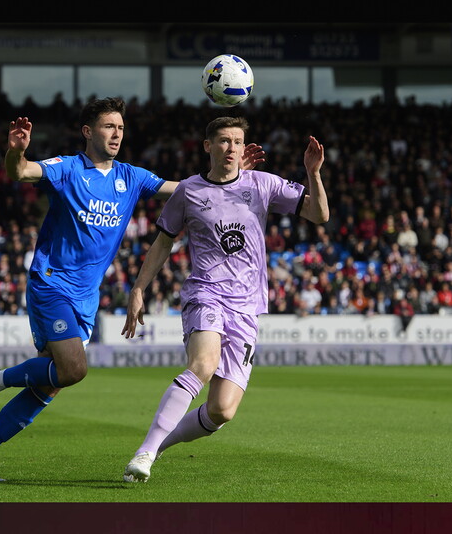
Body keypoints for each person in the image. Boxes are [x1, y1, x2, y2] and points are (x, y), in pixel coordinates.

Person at [0, 97, 264, 482]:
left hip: (87, 295)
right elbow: (21, 172)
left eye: (120, 128)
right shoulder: (67, 169)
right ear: (88, 132)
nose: (117, 134)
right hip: (51, 283)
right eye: (108, 127)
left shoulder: (132, 177)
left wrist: (231, 170)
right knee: (73, 369)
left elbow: (189, 190)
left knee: (51, 384)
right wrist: (15, 152)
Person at [120, 116, 328, 483]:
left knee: (222, 410)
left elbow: (318, 214)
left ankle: (158, 445)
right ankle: (145, 451)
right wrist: (138, 289)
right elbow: (163, 242)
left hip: (247, 306)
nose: (231, 147)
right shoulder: (189, 190)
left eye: (237, 141)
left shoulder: (262, 184)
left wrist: (313, 172)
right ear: (208, 146)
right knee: (203, 364)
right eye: (223, 141)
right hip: (206, 293)